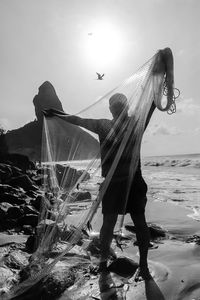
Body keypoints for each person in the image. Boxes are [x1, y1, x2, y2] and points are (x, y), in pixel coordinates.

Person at [44, 92, 156, 281]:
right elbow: (150, 107)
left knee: (119, 223)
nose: (117, 108)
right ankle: (131, 265)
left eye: (117, 105)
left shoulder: (107, 125)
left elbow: (77, 120)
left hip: (124, 182)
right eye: (116, 106)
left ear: (115, 108)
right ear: (119, 107)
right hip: (125, 182)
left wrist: (56, 112)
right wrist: (56, 112)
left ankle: (113, 264)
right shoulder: (131, 124)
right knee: (131, 222)